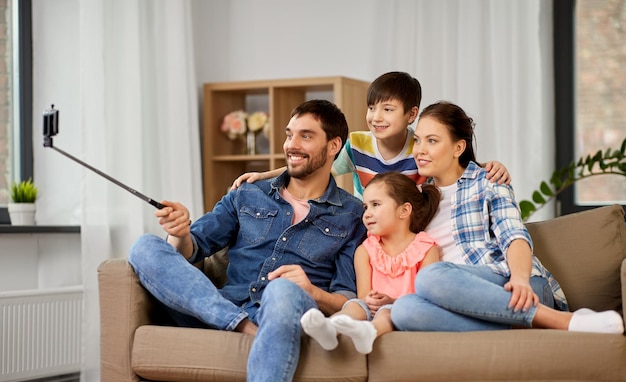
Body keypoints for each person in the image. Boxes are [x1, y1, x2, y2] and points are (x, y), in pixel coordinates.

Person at [128, 99, 367, 382]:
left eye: (305, 136)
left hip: (285, 313)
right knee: (144, 247)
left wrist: (309, 291)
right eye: (288, 134)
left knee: (282, 291)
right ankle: (240, 326)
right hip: (218, 309)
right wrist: (180, 232)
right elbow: (192, 250)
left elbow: (346, 298)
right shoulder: (247, 194)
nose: (291, 145)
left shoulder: (353, 215)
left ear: (334, 145)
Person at [390, 100, 625, 334]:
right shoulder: (416, 199)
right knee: (403, 310)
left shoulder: (488, 181)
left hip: (513, 287)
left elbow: (514, 236)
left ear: (458, 148)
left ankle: (561, 321)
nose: (420, 150)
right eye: (418, 140)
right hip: (462, 300)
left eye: (432, 141)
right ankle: (520, 324)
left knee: (430, 277)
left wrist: (520, 279)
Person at [232, 71, 511, 197]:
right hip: (365, 224)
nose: (376, 117)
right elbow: (315, 164)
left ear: (411, 115)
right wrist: (264, 175)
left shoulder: (421, 146)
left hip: (407, 227)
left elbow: (455, 165)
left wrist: (491, 167)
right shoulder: (358, 143)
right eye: (371, 107)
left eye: (388, 109)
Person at [300, 171, 440, 354]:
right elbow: (364, 296)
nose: (367, 214)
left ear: (404, 210)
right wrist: (370, 300)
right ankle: (329, 327)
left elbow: (426, 297)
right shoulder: (365, 250)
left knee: (387, 312)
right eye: (366, 207)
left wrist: (391, 301)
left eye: (375, 205)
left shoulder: (426, 248)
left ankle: (370, 332)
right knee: (354, 305)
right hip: (370, 310)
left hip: (403, 311)